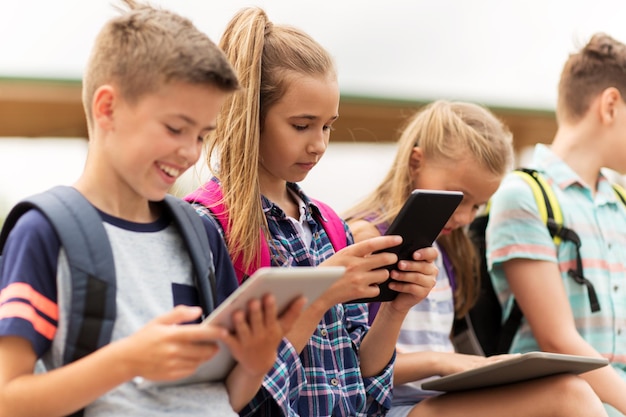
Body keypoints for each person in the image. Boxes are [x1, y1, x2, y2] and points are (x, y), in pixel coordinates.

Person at [0, 1, 305, 416]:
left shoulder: (201, 234)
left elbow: (222, 398)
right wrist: (129, 360)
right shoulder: (44, 231)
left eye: (202, 135)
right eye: (176, 128)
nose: (189, 153)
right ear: (107, 108)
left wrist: (254, 363)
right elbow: (8, 399)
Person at [185, 7, 438, 417]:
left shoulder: (331, 226)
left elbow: (366, 390)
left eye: (327, 127)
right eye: (302, 126)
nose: (319, 144)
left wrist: (395, 309)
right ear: (249, 117)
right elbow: (239, 402)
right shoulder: (209, 224)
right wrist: (318, 298)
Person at [345, 100, 608, 417]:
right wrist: (445, 361)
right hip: (390, 407)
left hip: (434, 399)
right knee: (569, 395)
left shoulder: (447, 251)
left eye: (478, 206)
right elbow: (350, 362)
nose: (466, 217)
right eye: (459, 197)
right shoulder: (366, 238)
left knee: (567, 388)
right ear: (416, 162)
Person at [486, 32, 626, 416]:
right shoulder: (525, 195)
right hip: (560, 402)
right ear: (611, 105)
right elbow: (557, 337)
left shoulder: (620, 202)